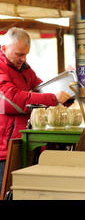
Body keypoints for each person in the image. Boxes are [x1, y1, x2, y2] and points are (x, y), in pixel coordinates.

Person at [0, 27, 70, 192]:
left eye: (26, 54)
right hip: (4, 151)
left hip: (22, 145)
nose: (23, 59)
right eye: (19, 54)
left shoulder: (24, 68)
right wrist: (53, 98)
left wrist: (67, 97)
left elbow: (42, 88)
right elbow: (12, 101)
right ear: (4, 49)